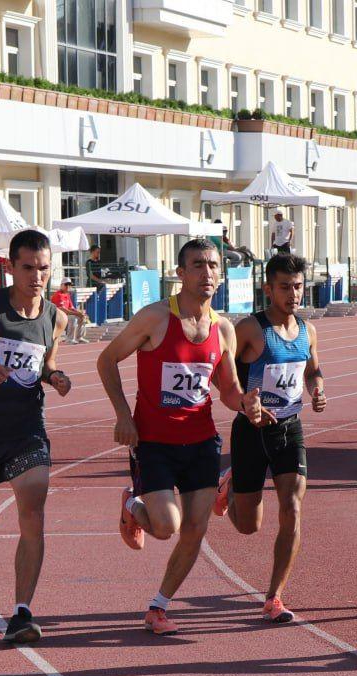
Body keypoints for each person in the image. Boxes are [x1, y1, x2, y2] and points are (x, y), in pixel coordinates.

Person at [97, 238, 268, 636]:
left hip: (201, 441)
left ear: (221, 274)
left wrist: (246, 403)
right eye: (197, 265)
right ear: (180, 273)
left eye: (212, 265)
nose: (207, 273)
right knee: (166, 526)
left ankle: (159, 606)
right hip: (154, 442)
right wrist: (124, 414)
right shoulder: (155, 318)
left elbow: (226, 390)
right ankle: (131, 505)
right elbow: (106, 359)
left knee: (196, 528)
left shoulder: (223, 328)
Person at [0, 230, 72, 643]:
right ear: (11, 266)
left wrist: (54, 376)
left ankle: (22, 613)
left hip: (26, 430)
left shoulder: (56, 317)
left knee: (34, 508)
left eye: (44, 268)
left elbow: (45, 363)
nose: (37, 276)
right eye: (28, 268)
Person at [214, 253, 327, 623]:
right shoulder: (250, 328)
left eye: (298, 287)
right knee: (249, 525)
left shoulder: (308, 331)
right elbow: (223, 372)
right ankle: (229, 488)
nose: (293, 294)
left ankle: (274, 596)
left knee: (293, 506)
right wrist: (245, 401)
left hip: (290, 428)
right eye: (285, 287)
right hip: (251, 431)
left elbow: (313, 370)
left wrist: (317, 388)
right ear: (268, 289)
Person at [51, 277, 89, 343]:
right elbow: (63, 310)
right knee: (73, 318)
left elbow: (71, 307)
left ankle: (79, 337)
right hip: (57, 316)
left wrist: (80, 313)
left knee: (82, 317)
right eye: (66, 284)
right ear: (61, 285)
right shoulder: (58, 295)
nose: (68, 286)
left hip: (64, 315)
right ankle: (69, 338)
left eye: (69, 285)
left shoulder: (67, 294)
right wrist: (77, 314)